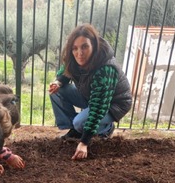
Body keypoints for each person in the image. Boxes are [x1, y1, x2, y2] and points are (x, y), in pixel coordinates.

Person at [49, 23, 132, 160]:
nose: (79, 53)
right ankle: (76, 129)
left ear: (94, 45)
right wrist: (58, 82)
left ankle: (105, 128)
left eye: (84, 47)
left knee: (80, 122)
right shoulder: (75, 58)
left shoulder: (105, 69)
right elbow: (65, 71)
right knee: (56, 92)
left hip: (113, 104)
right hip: (90, 95)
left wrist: (84, 142)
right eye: (75, 48)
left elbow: (98, 107)